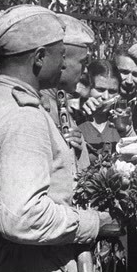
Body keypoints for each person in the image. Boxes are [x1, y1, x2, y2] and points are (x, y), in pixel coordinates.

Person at [0, 5, 119, 272]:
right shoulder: (25, 117)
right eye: (60, 54)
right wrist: (95, 223)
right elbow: (23, 217)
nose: (63, 64)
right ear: (39, 58)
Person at [41, 14, 94, 171]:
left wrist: (78, 149)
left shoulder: (59, 103)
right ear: (62, 61)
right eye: (82, 62)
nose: (84, 71)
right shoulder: (39, 105)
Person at [79, 59, 122, 159]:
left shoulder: (121, 122)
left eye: (112, 91)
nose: (106, 97)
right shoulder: (76, 118)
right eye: (100, 90)